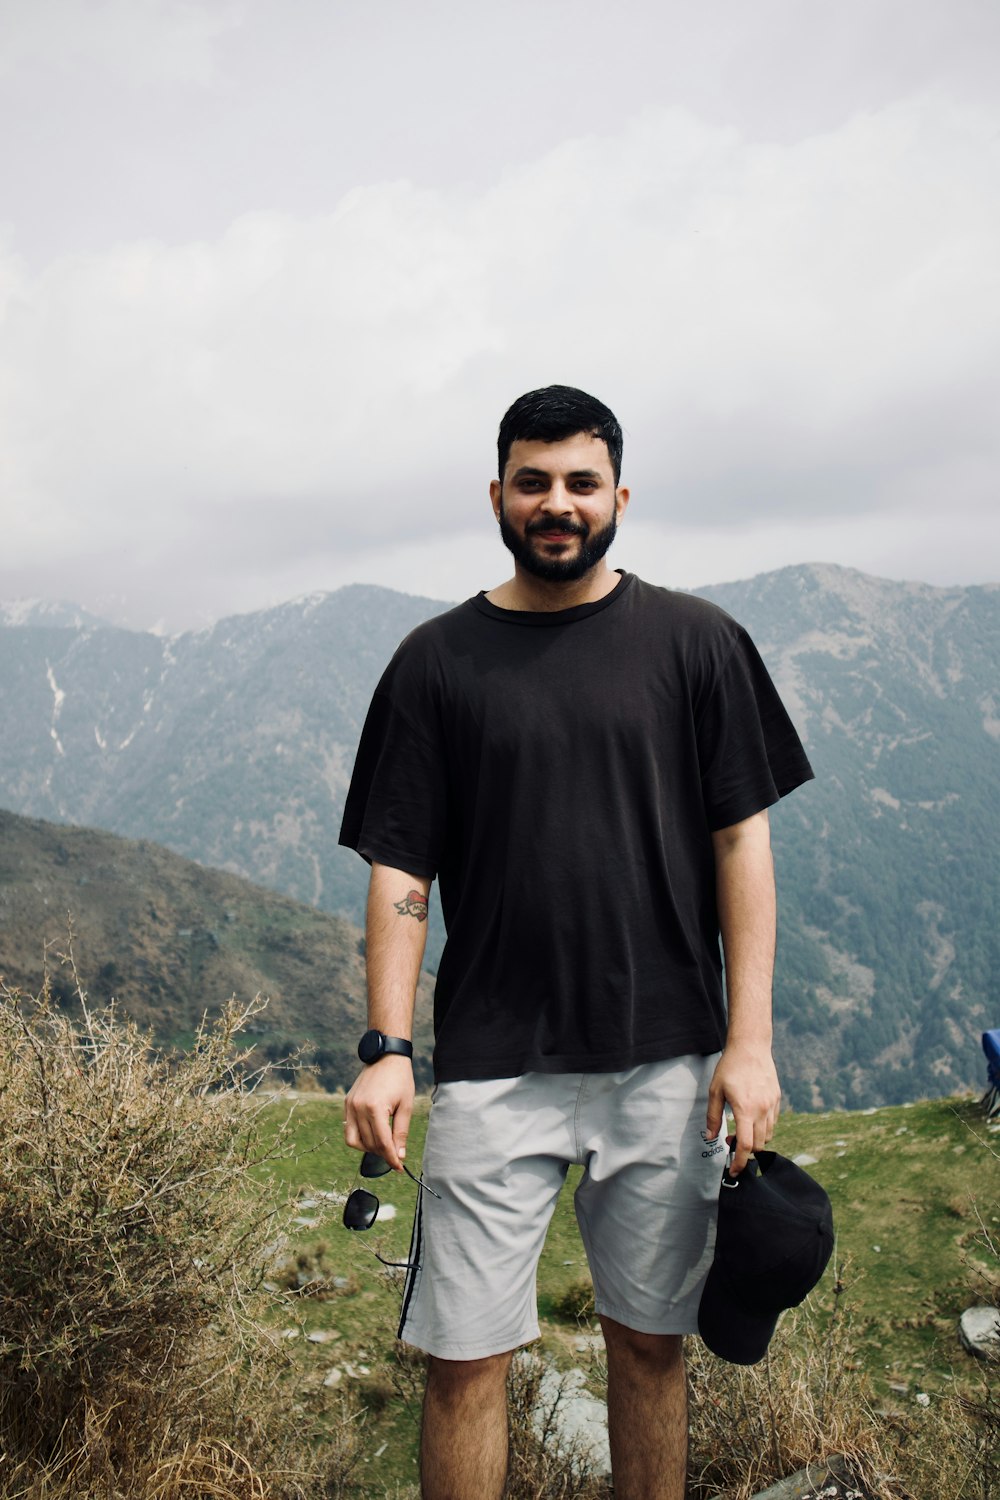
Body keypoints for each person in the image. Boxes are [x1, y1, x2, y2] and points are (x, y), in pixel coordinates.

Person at [339, 385, 814, 1500]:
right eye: (533, 482)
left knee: (650, 1349)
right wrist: (387, 1044)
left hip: (667, 1058)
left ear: (619, 497)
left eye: (580, 483)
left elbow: (742, 844)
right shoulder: (435, 662)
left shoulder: (696, 642)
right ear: (498, 495)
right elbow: (400, 871)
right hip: (495, 1064)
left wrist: (750, 1045)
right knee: (463, 1364)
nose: (557, 504)